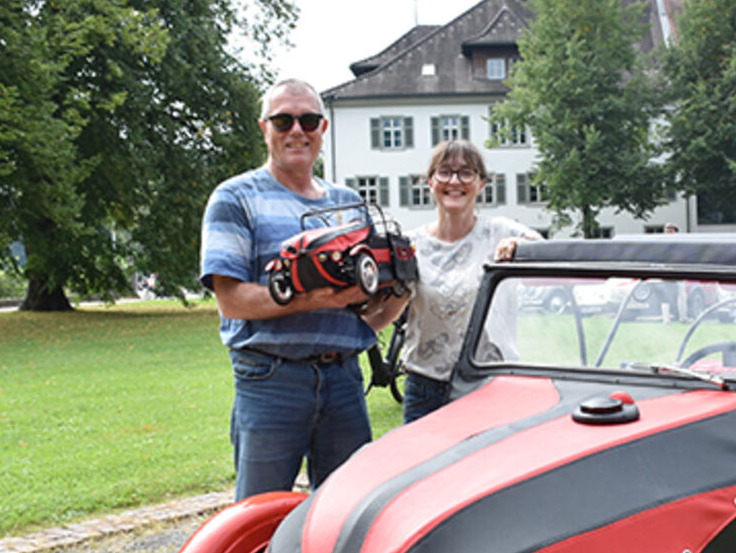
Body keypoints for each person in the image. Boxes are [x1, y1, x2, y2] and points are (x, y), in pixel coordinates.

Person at [200, 79, 408, 499]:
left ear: (322, 128)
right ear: (265, 128)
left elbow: (372, 299)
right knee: (260, 510)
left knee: (346, 510)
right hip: (271, 378)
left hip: (344, 376)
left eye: (308, 119)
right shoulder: (235, 197)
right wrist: (310, 299)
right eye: (283, 120)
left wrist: (393, 300)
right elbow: (231, 298)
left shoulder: (349, 202)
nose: (297, 129)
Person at [400, 140, 540, 423]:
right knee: (426, 466)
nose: (454, 181)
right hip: (425, 386)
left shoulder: (502, 232)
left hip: (489, 384)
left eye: (466, 173)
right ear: (430, 181)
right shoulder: (410, 245)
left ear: (481, 184)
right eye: (445, 171)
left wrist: (521, 247)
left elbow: (547, 254)